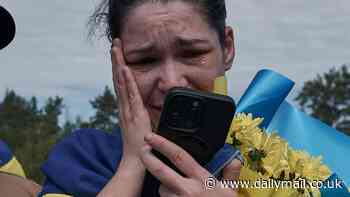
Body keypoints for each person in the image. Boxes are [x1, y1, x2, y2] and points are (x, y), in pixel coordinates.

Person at [38, 0, 242, 196]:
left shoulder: (265, 164)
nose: (171, 82)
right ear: (117, 63)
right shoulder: (82, 160)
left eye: (191, 53)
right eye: (145, 60)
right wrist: (132, 163)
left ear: (228, 48)